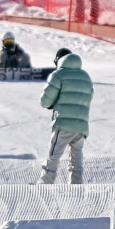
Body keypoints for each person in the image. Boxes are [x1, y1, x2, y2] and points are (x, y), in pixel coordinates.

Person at [37, 53, 93, 184]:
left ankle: (45, 182)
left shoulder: (58, 75)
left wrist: (53, 103)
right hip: (81, 124)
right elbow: (89, 97)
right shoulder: (86, 76)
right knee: (76, 156)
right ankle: (76, 183)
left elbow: (45, 101)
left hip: (63, 123)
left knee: (53, 155)